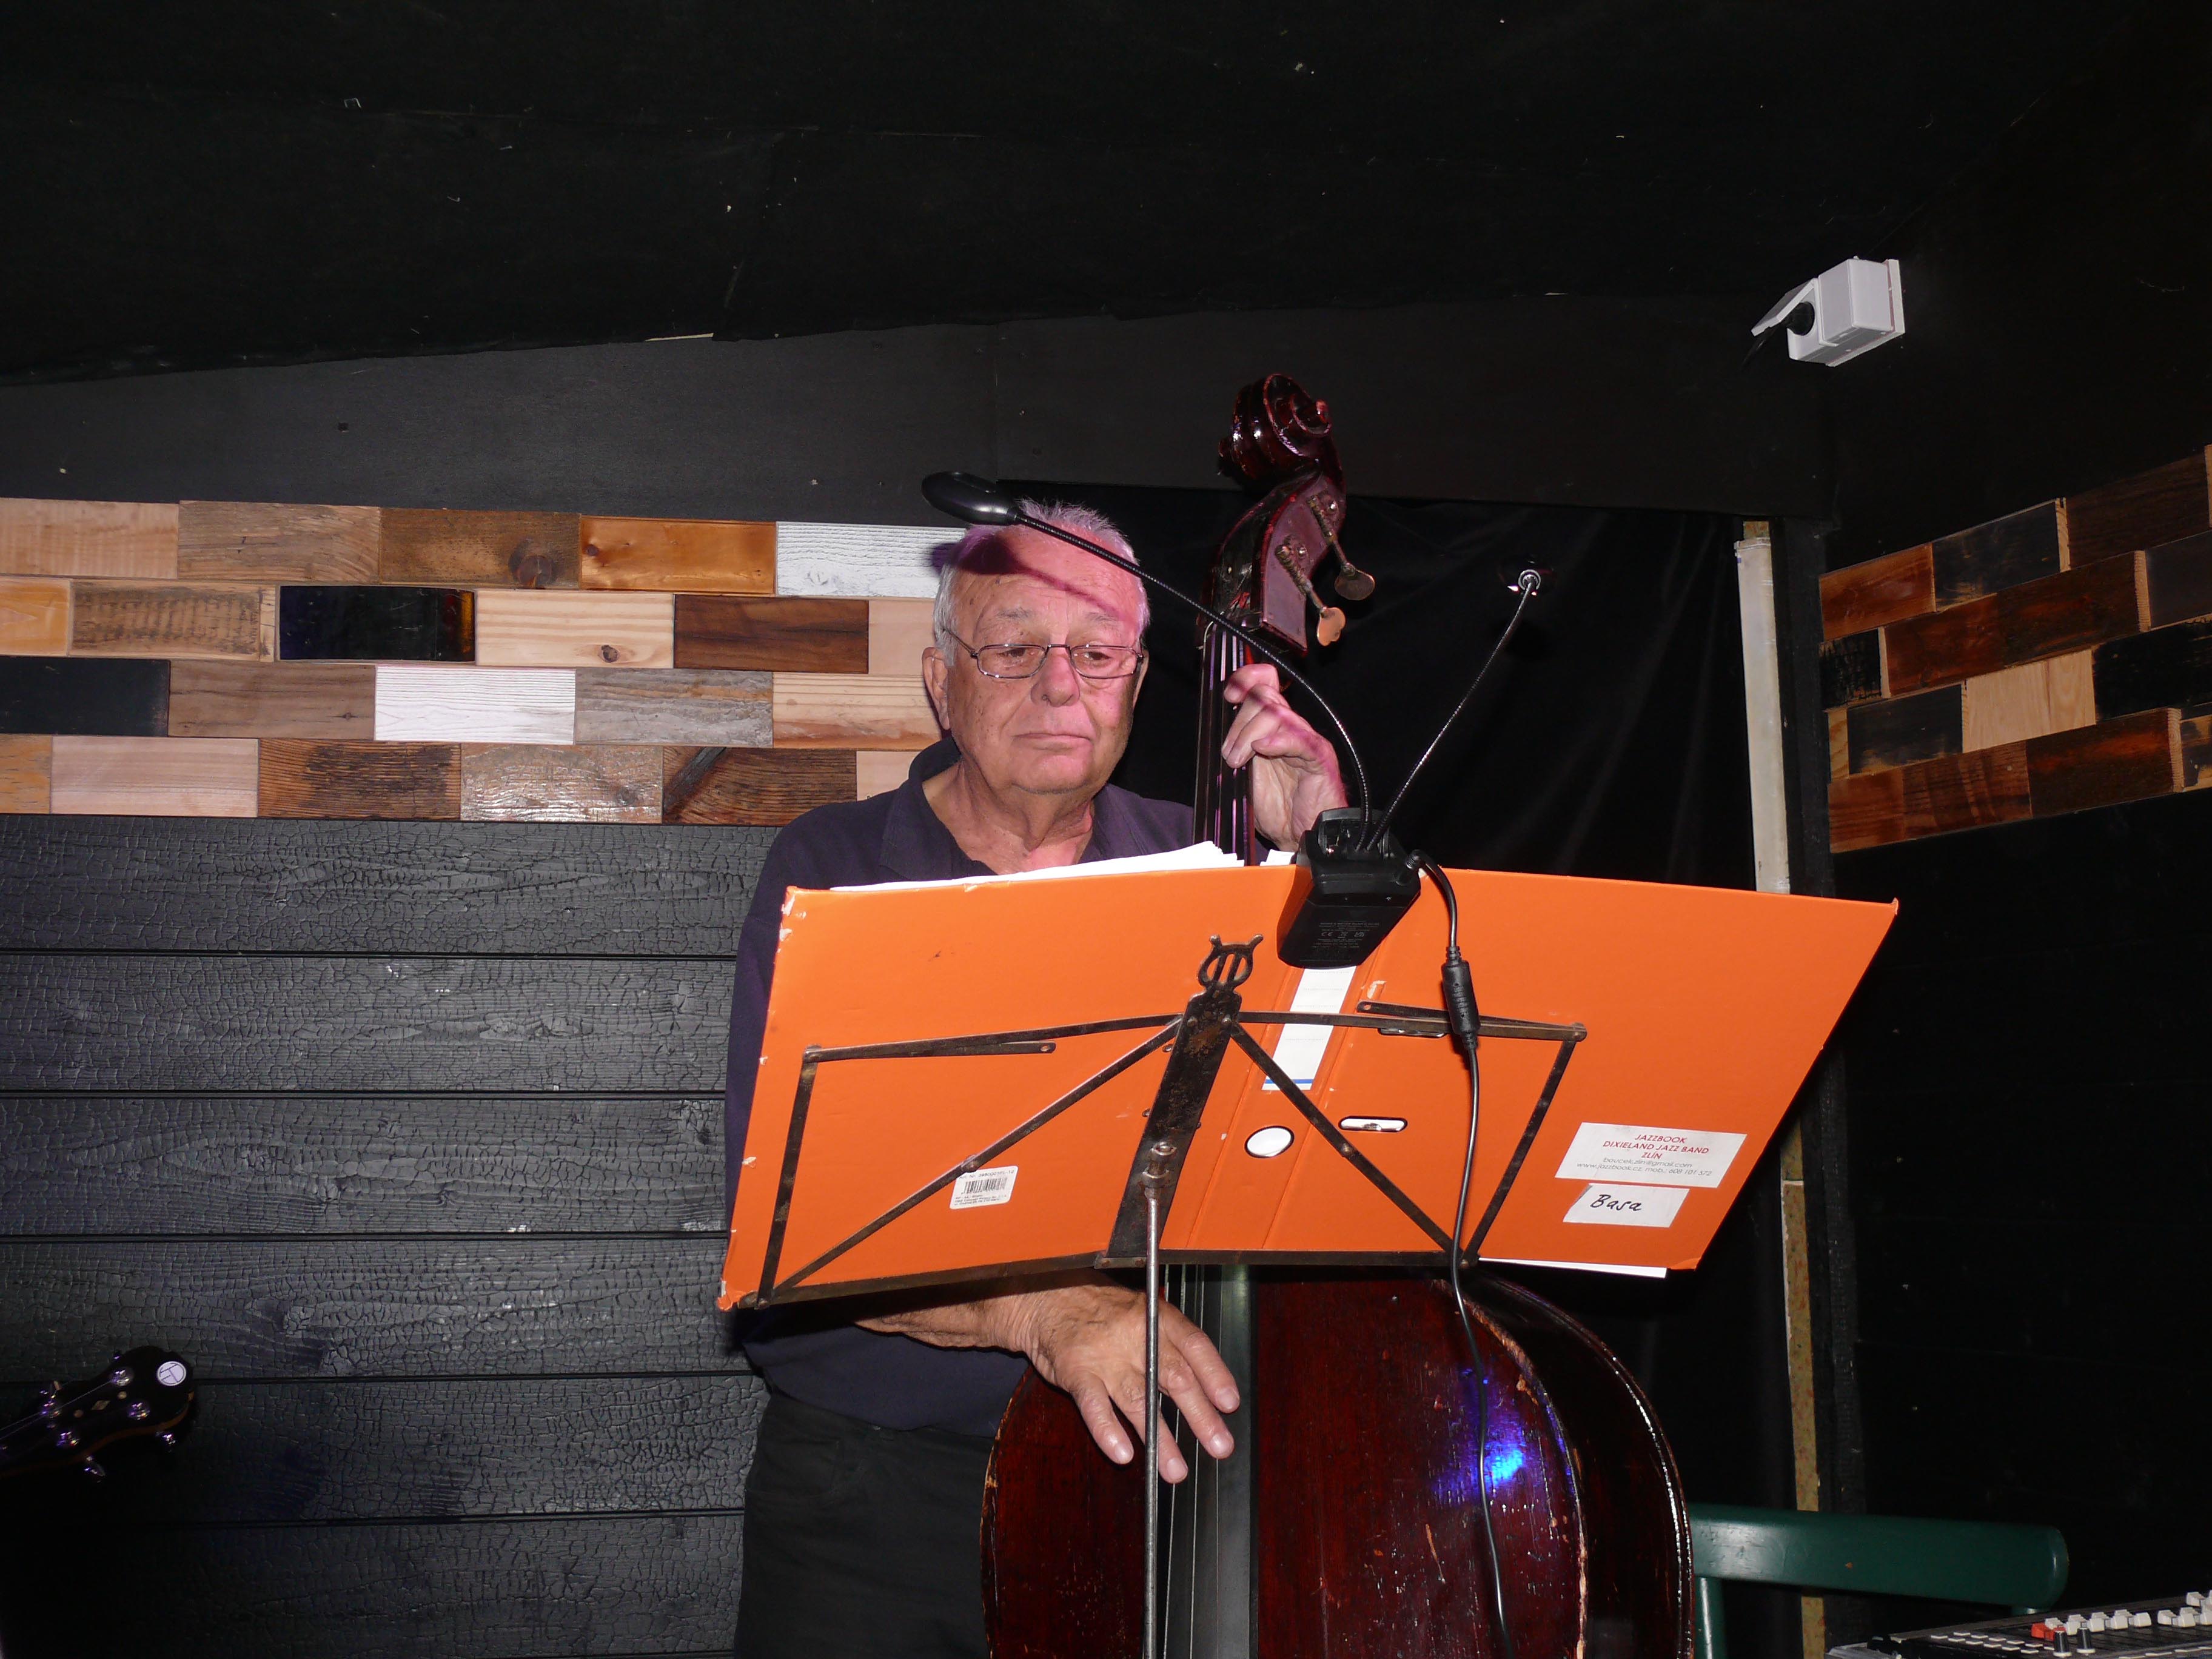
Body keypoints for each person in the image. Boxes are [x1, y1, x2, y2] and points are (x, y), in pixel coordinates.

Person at [728, 501, 1347, 1657]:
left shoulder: (1219, 865)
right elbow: (789, 1242)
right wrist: (1044, 1311)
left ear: (1137, 681)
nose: (1061, 687)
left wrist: (1324, 852)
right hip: (879, 1495)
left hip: (1165, 1473)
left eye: (1098, 654)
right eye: (1013, 649)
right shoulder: (832, 870)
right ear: (941, 682)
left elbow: (1351, 1135)